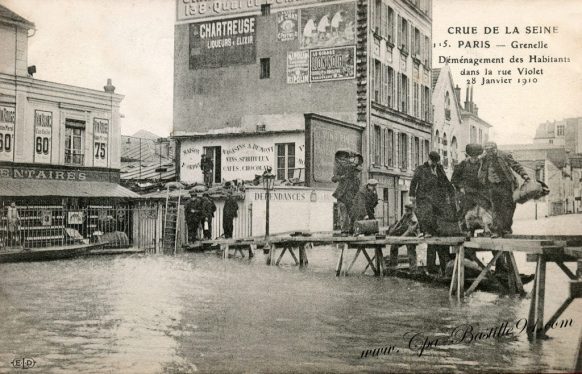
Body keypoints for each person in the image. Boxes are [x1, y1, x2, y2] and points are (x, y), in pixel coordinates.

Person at [410, 151, 455, 274]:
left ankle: (440, 267)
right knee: (426, 214)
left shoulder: (439, 169)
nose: (434, 164)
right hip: (424, 197)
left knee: (437, 237)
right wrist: (412, 196)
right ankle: (427, 231)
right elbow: (413, 182)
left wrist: (452, 192)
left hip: (437, 199)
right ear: (428, 159)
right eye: (433, 162)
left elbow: (446, 182)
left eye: (436, 162)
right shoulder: (421, 169)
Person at [478, 141, 530, 238]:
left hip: (506, 185)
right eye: (487, 151)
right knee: (496, 208)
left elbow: (515, 165)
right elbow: (480, 172)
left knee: (509, 207)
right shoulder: (483, 159)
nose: (489, 153)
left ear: (495, 149)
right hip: (492, 186)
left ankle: (506, 229)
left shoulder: (504, 155)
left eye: (491, 151)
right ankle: (496, 231)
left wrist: (524, 175)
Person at [451, 143, 492, 235]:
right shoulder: (462, 165)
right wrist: (461, 187)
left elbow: (488, 178)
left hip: (480, 192)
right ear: (469, 156)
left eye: (476, 157)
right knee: (464, 209)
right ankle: (466, 229)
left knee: (485, 207)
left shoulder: (483, 165)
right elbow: (454, 179)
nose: (474, 159)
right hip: (466, 192)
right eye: (472, 157)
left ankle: (487, 227)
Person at [331, 150, 363, 235]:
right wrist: (342, 177)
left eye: (357, 172)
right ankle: (344, 231)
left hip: (351, 199)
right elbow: (333, 179)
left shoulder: (357, 181)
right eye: (356, 172)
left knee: (353, 215)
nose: (357, 173)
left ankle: (352, 230)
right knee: (344, 216)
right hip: (342, 197)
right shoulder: (345, 175)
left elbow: (357, 191)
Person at [387, 203, 419, 272]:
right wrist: (393, 230)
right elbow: (399, 222)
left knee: (411, 250)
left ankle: (413, 269)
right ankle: (393, 265)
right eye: (405, 210)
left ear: (411, 210)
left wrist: (400, 238)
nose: (406, 212)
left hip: (412, 235)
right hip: (404, 234)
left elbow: (409, 231)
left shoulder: (414, 219)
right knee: (394, 245)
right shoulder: (405, 215)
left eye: (407, 211)